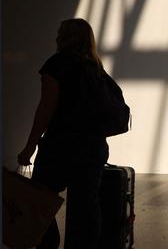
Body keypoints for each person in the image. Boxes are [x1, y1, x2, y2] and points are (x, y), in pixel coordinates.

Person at [17, 18, 110, 249]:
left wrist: (29, 147)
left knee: (39, 199)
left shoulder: (56, 65)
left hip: (60, 146)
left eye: (60, 33)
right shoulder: (96, 68)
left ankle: (48, 243)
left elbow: (46, 108)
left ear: (64, 37)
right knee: (85, 207)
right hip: (93, 147)